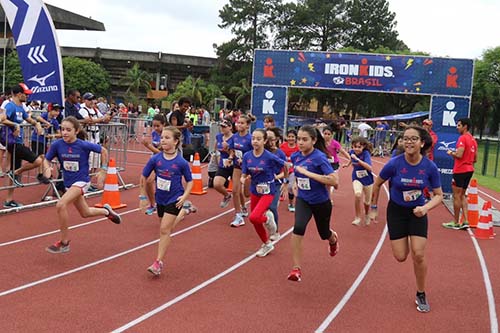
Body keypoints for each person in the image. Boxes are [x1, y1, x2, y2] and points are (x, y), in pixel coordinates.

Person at [370, 126, 443, 312]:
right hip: (396, 212)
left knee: (418, 254)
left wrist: (425, 208)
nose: (409, 142)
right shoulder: (395, 163)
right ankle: (404, 241)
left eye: (413, 139)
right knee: (401, 256)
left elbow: (439, 195)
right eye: (406, 138)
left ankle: (421, 293)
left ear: (422, 143)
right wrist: (373, 208)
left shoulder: (429, 167)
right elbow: (377, 184)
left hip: (418, 212)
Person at [44, 116, 122, 253]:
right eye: (63, 129)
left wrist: (103, 170)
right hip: (69, 183)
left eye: (68, 130)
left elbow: (103, 151)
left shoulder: (83, 145)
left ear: (76, 131)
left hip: (82, 181)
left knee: (61, 204)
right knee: (85, 213)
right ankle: (106, 211)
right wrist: (46, 168)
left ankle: (64, 242)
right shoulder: (57, 145)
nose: (65, 133)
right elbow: (46, 159)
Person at [139, 126, 193, 276]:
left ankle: (158, 262)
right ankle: (184, 212)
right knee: (166, 228)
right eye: (162, 137)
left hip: (175, 198)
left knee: (164, 230)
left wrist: (185, 196)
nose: (163, 140)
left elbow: (190, 181)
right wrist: (142, 197)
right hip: (160, 198)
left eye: (167, 138)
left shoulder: (181, 162)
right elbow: (143, 177)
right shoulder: (156, 159)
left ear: (176, 141)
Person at [287, 125, 339, 282]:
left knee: (324, 233)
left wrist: (308, 173)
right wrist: (296, 182)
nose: (300, 143)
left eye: (305, 140)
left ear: (314, 141)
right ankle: (296, 269)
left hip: (321, 202)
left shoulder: (319, 157)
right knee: (298, 227)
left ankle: (333, 239)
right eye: (298, 139)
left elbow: (334, 181)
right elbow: (298, 174)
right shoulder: (296, 156)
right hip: (303, 199)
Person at [1, 84, 51, 208]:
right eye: (26, 94)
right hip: (12, 142)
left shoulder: (20, 107)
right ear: (19, 94)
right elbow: (2, 119)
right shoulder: (10, 105)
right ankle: (16, 172)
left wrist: (37, 124)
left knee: (15, 169)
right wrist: (15, 125)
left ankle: (9, 200)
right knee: (38, 161)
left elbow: (29, 118)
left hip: (18, 142)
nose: (27, 96)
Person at [241, 128, 285, 257]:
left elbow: (286, 166)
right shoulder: (247, 156)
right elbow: (244, 173)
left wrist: (285, 181)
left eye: (258, 139)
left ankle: (268, 218)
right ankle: (267, 244)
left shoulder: (270, 156)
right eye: (253, 138)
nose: (255, 141)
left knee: (254, 217)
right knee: (255, 221)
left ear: (265, 141)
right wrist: (243, 178)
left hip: (268, 191)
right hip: (255, 190)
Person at [442, 118, 478, 230]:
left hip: (460, 170)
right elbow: (475, 158)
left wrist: (451, 152)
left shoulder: (462, 138)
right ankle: (466, 220)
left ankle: (456, 221)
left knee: (456, 195)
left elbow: (459, 155)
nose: (457, 127)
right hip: (469, 169)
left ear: (465, 126)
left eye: (459, 125)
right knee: (462, 195)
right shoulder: (473, 140)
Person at [225, 113, 255, 227]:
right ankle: (238, 215)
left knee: (247, 194)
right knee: (234, 191)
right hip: (237, 166)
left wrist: (247, 161)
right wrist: (230, 158)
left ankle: (251, 208)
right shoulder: (234, 137)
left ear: (247, 126)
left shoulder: (250, 139)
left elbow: (255, 153)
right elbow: (232, 150)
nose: (239, 125)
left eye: (242, 123)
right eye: (238, 123)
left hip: (249, 168)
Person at [344, 136, 374, 226]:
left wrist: (358, 160)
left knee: (367, 202)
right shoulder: (352, 152)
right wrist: (347, 164)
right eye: (355, 147)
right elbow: (351, 158)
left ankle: (367, 214)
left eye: (359, 147)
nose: (356, 149)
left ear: (363, 147)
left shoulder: (366, 154)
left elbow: (370, 168)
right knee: (357, 194)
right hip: (356, 178)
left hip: (368, 180)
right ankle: (357, 217)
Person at [141, 114, 167, 215]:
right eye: (154, 126)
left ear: (163, 125)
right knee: (148, 181)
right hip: (155, 161)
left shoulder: (166, 135)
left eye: (158, 126)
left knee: (165, 186)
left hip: (165, 161)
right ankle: (153, 204)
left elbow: (161, 152)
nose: (155, 128)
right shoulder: (154, 133)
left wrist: (148, 145)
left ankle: (179, 205)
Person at [266, 127, 288, 241]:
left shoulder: (280, 154)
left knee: (272, 207)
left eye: (271, 139)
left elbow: (285, 171)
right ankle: (269, 225)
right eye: (267, 139)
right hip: (262, 184)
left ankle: (276, 231)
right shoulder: (262, 151)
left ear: (276, 139)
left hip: (276, 183)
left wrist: (283, 181)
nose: (269, 141)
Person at [31, 103, 62, 182]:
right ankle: (42, 174)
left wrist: (52, 136)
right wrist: (46, 123)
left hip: (44, 140)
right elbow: (38, 117)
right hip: (36, 139)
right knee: (41, 157)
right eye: (55, 110)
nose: (57, 113)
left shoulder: (55, 121)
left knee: (42, 158)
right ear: (50, 110)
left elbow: (60, 133)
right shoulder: (45, 115)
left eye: (58, 111)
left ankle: (42, 174)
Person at [213, 119, 234, 208]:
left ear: (230, 127)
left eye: (224, 127)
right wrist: (215, 154)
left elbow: (236, 153)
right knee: (217, 184)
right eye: (221, 126)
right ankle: (227, 195)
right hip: (223, 164)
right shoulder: (219, 136)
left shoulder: (235, 138)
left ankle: (243, 207)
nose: (222, 128)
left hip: (234, 164)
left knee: (238, 190)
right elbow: (216, 147)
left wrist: (228, 150)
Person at [280, 129, 300, 212]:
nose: (291, 138)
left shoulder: (298, 148)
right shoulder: (282, 146)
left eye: (292, 137)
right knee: (280, 186)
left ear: (295, 138)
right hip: (283, 170)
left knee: (291, 187)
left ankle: (291, 203)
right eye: (289, 136)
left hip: (293, 170)